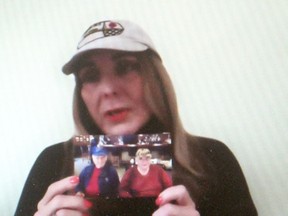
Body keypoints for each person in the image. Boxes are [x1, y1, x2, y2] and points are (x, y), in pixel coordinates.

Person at [15, 19, 258, 216]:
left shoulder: (212, 158)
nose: (108, 89)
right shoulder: (53, 162)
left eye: (125, 67)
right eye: (90, 75)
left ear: (156, 80)